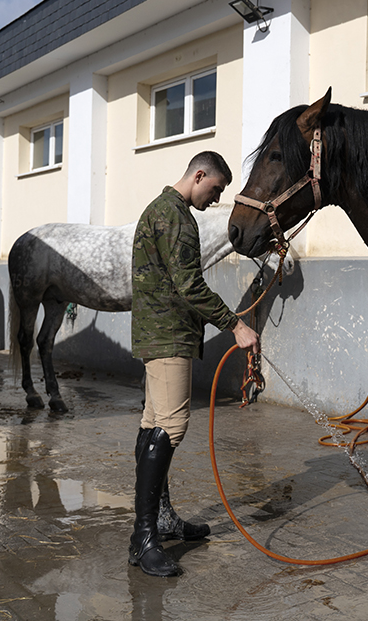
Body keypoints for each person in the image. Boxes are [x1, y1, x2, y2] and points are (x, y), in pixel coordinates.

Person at [128, 150, 260, 577]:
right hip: (169, 335)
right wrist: (235, 324)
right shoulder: (176, 216)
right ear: (199, 175)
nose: (216, 199)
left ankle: (161, 520)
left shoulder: (161, 209)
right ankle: (144, 539)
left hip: (157, 332)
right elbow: (188, 285)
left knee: (153, 425)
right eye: (216, 189)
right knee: (171, 426)